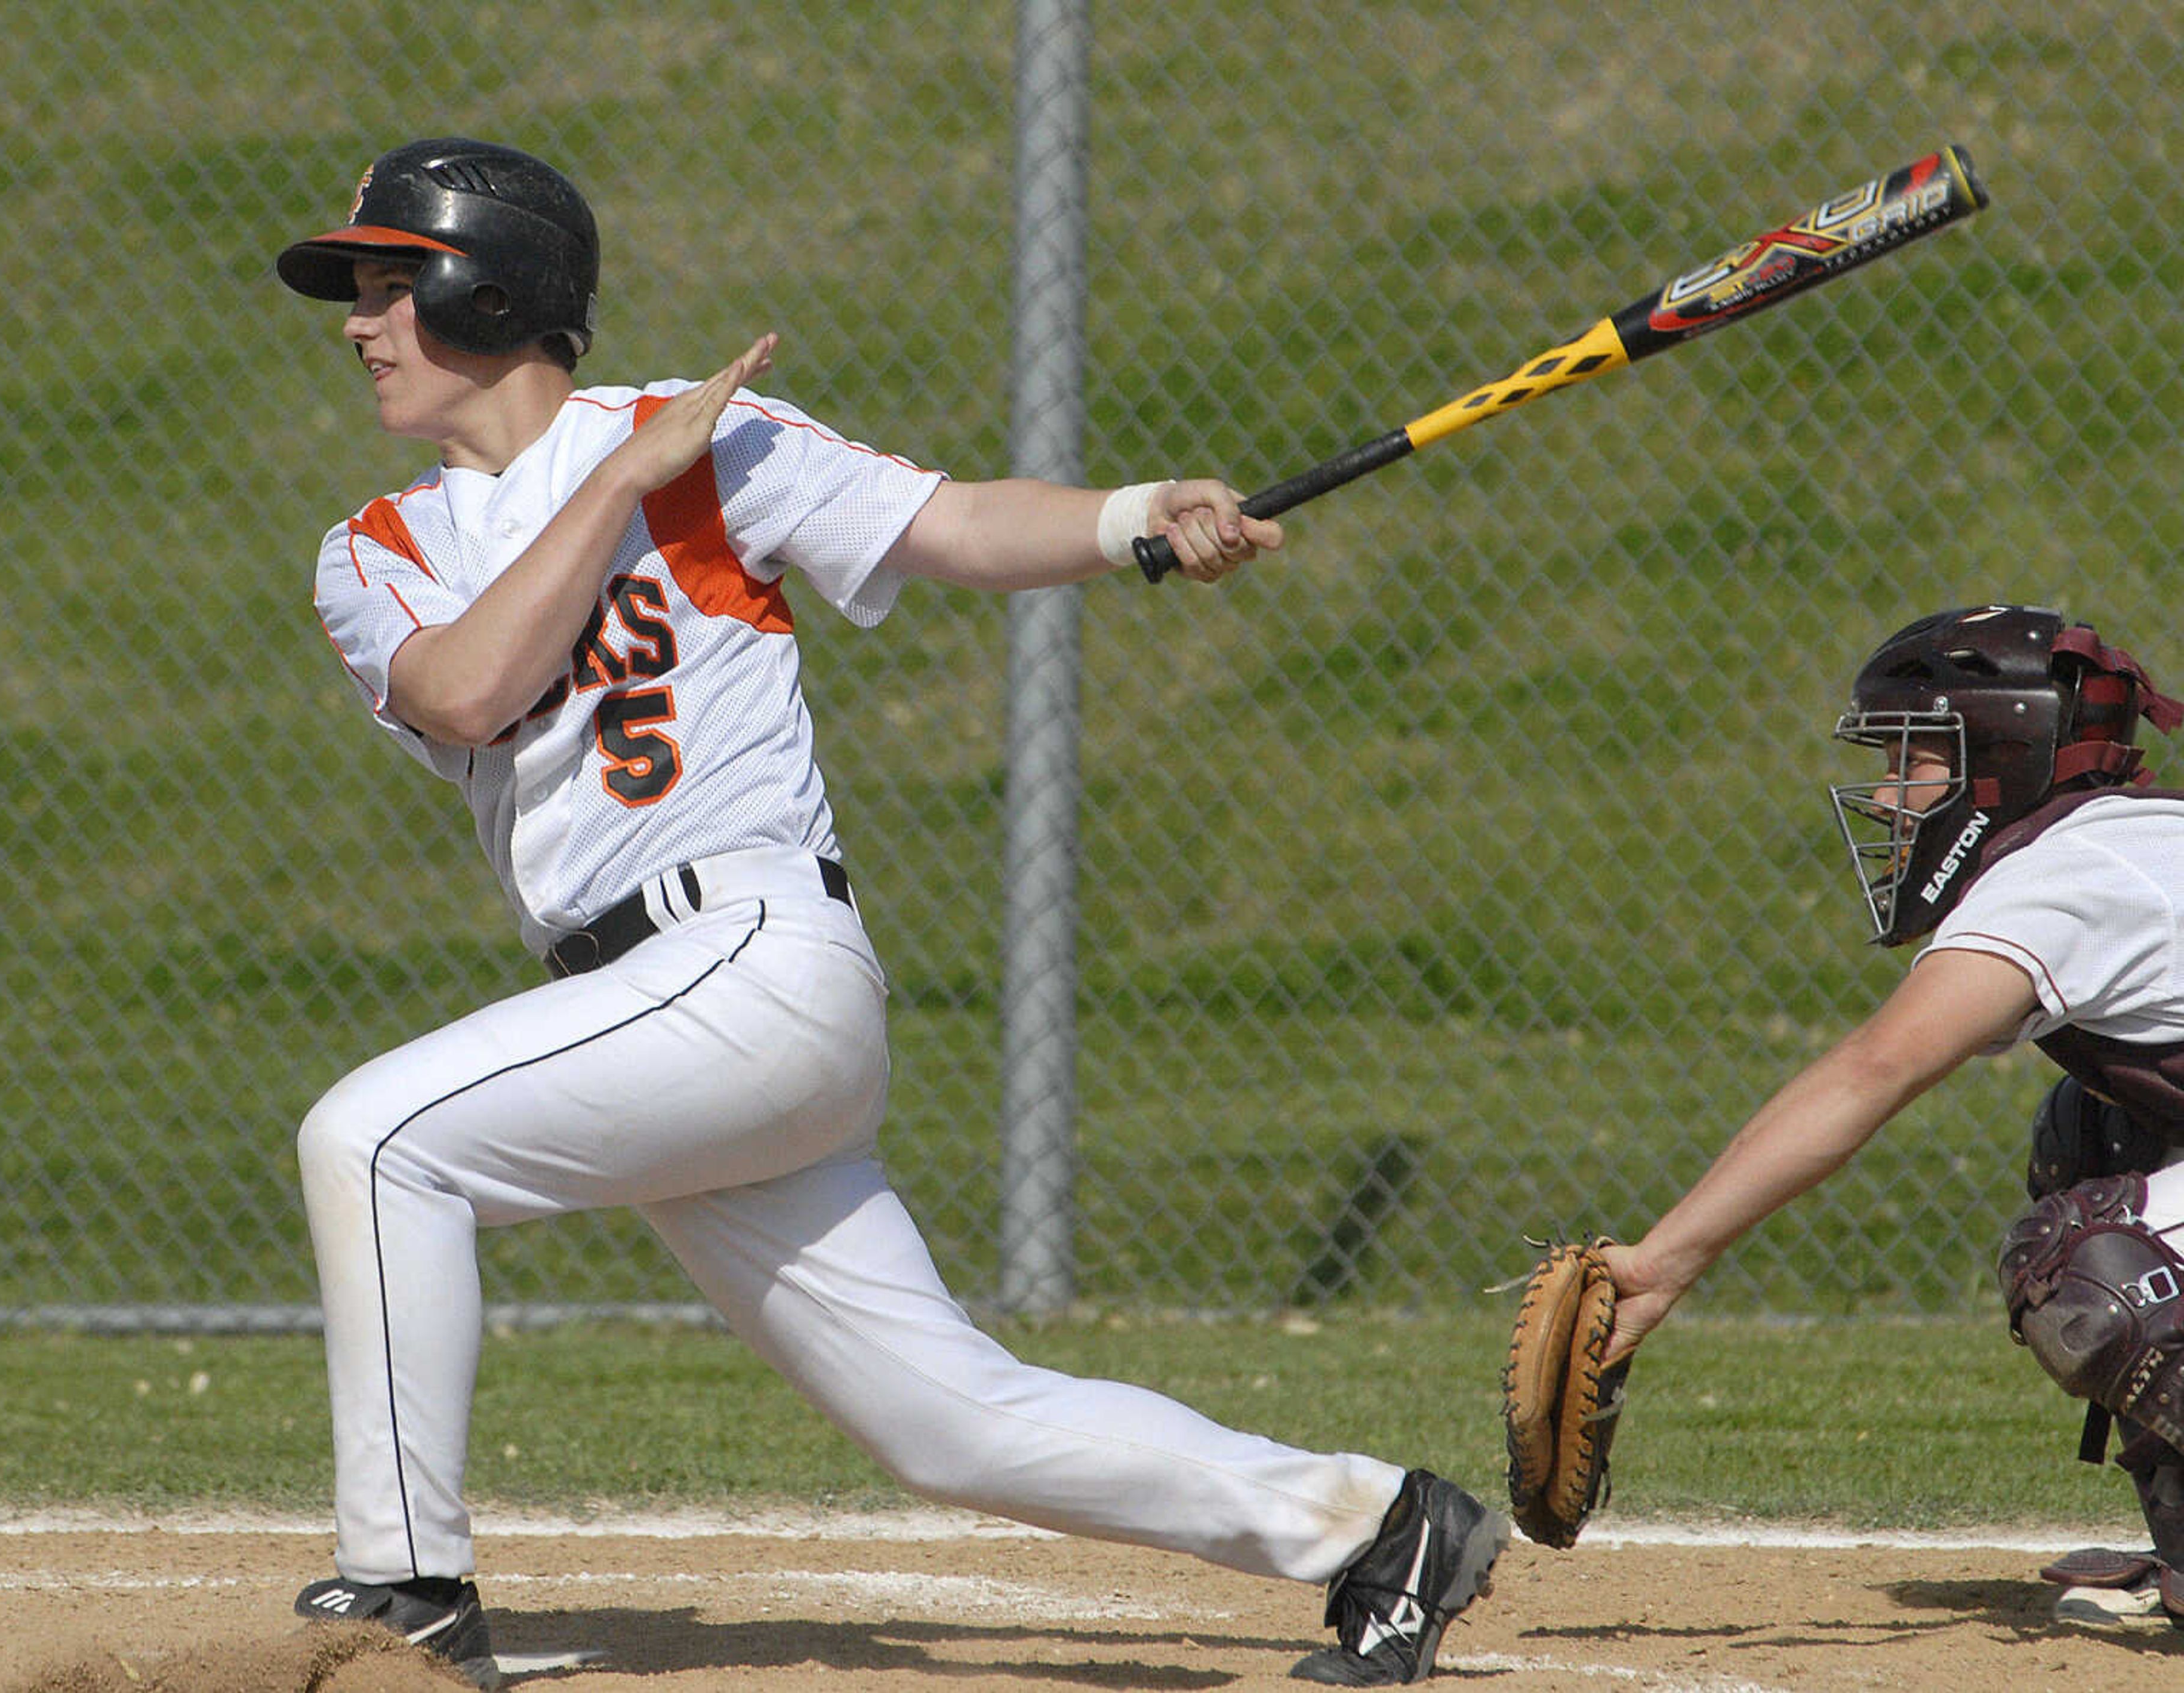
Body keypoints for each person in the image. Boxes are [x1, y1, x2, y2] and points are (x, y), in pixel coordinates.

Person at [273, 135, 1506, 1690]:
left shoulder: (698, 441)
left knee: (378, 1139)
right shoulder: (373, 550)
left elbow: (956, 526)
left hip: (752, 958)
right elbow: (466, 684)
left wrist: (1134, 513)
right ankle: (1384, 1527)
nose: (358, 320)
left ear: (488, 286)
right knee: (953, 1423)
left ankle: (406, 1587)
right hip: (649, 1012)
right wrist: (615, 492)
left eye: (392, 283)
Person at [1598, 602, 2184, 1624]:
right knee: (2086, 1137)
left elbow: (1876, 1068)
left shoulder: (2068, 877)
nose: (1884, 794)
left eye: (1915, 756)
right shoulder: (2125, 844)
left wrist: (1660, 1264)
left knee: (2092, 1261)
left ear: (2003, 754)